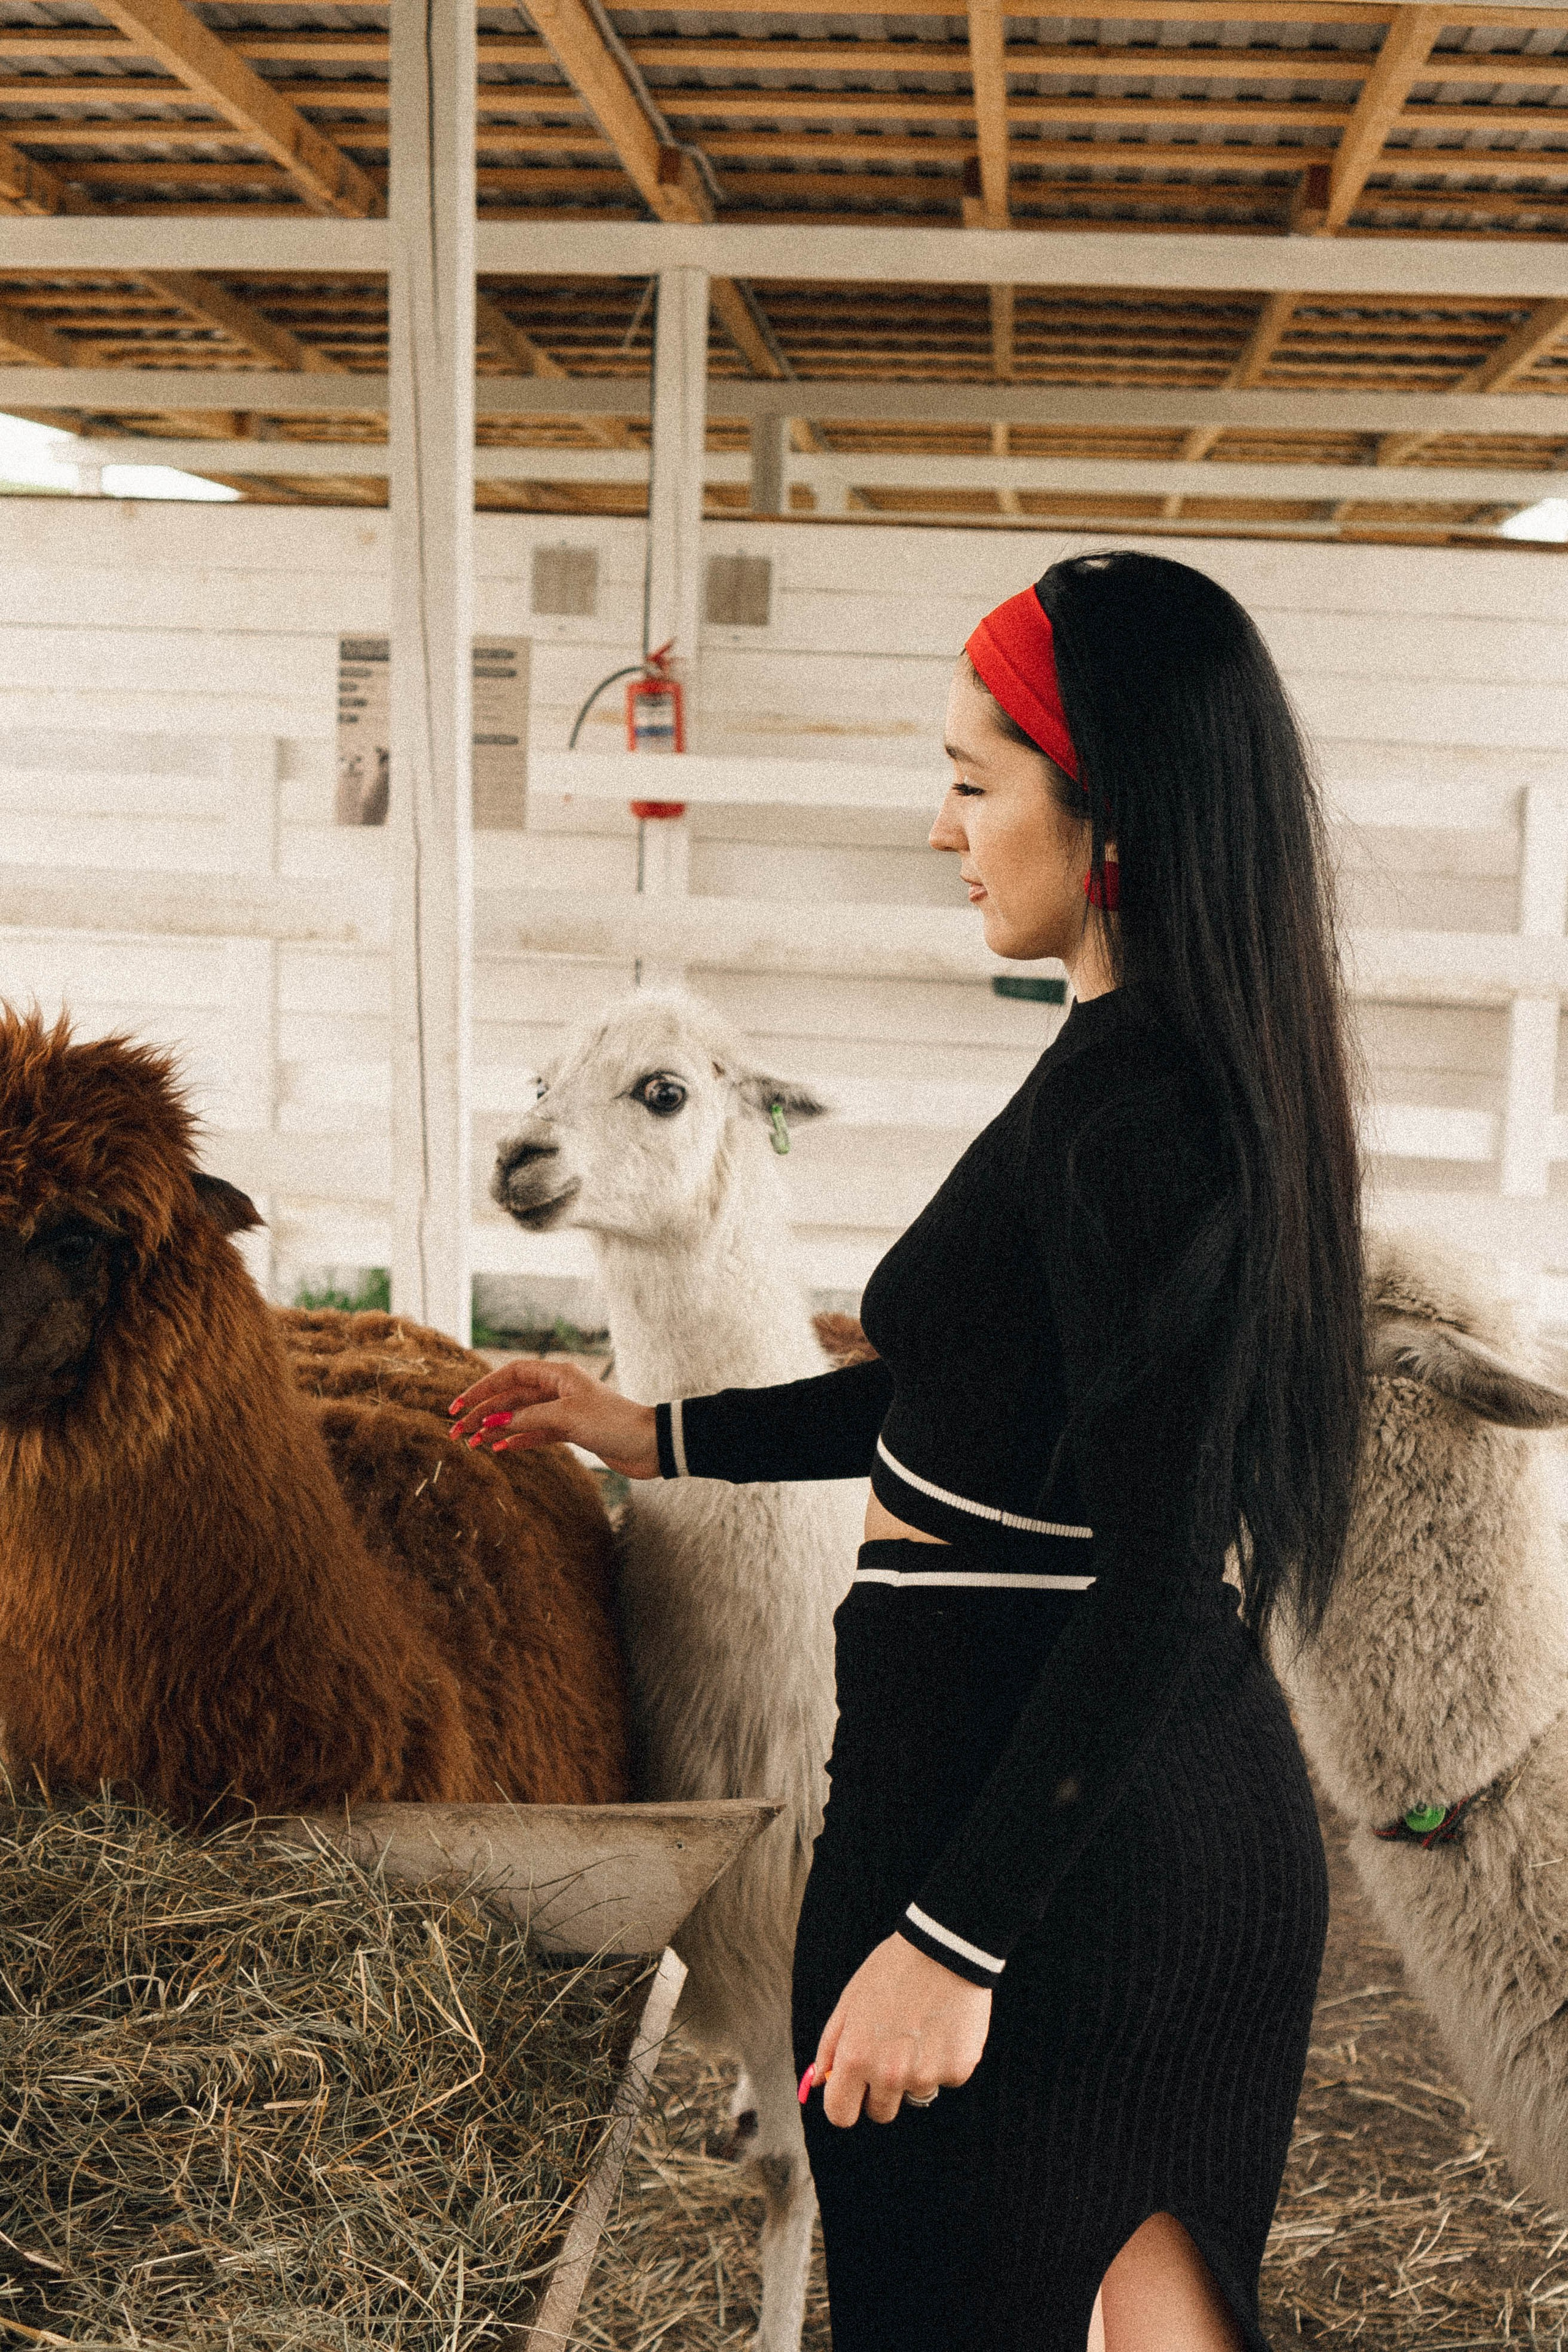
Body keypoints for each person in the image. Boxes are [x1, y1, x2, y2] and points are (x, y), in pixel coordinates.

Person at [449, 550, 1365, 2352]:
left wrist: (954, 1942)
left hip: (1061, 1868)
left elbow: (1164, 1591)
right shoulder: (1136, 1070)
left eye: (971, 782)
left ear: (1109, 815)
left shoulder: (1140, 1123)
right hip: (1056, 1828)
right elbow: (970, 1395)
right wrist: (657, 1430)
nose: (944, 829)